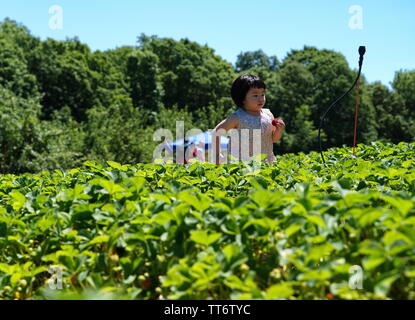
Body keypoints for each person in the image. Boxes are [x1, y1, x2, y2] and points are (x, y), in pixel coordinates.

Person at [212, 74, 285, 165]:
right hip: (241, 165)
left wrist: (279, 130)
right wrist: (217, 155)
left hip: (266, 163)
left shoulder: (268, 114)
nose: (261, 98)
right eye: (255, 95)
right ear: (242, 98)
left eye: (262, 94)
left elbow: (273, 139)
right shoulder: (237, 117)